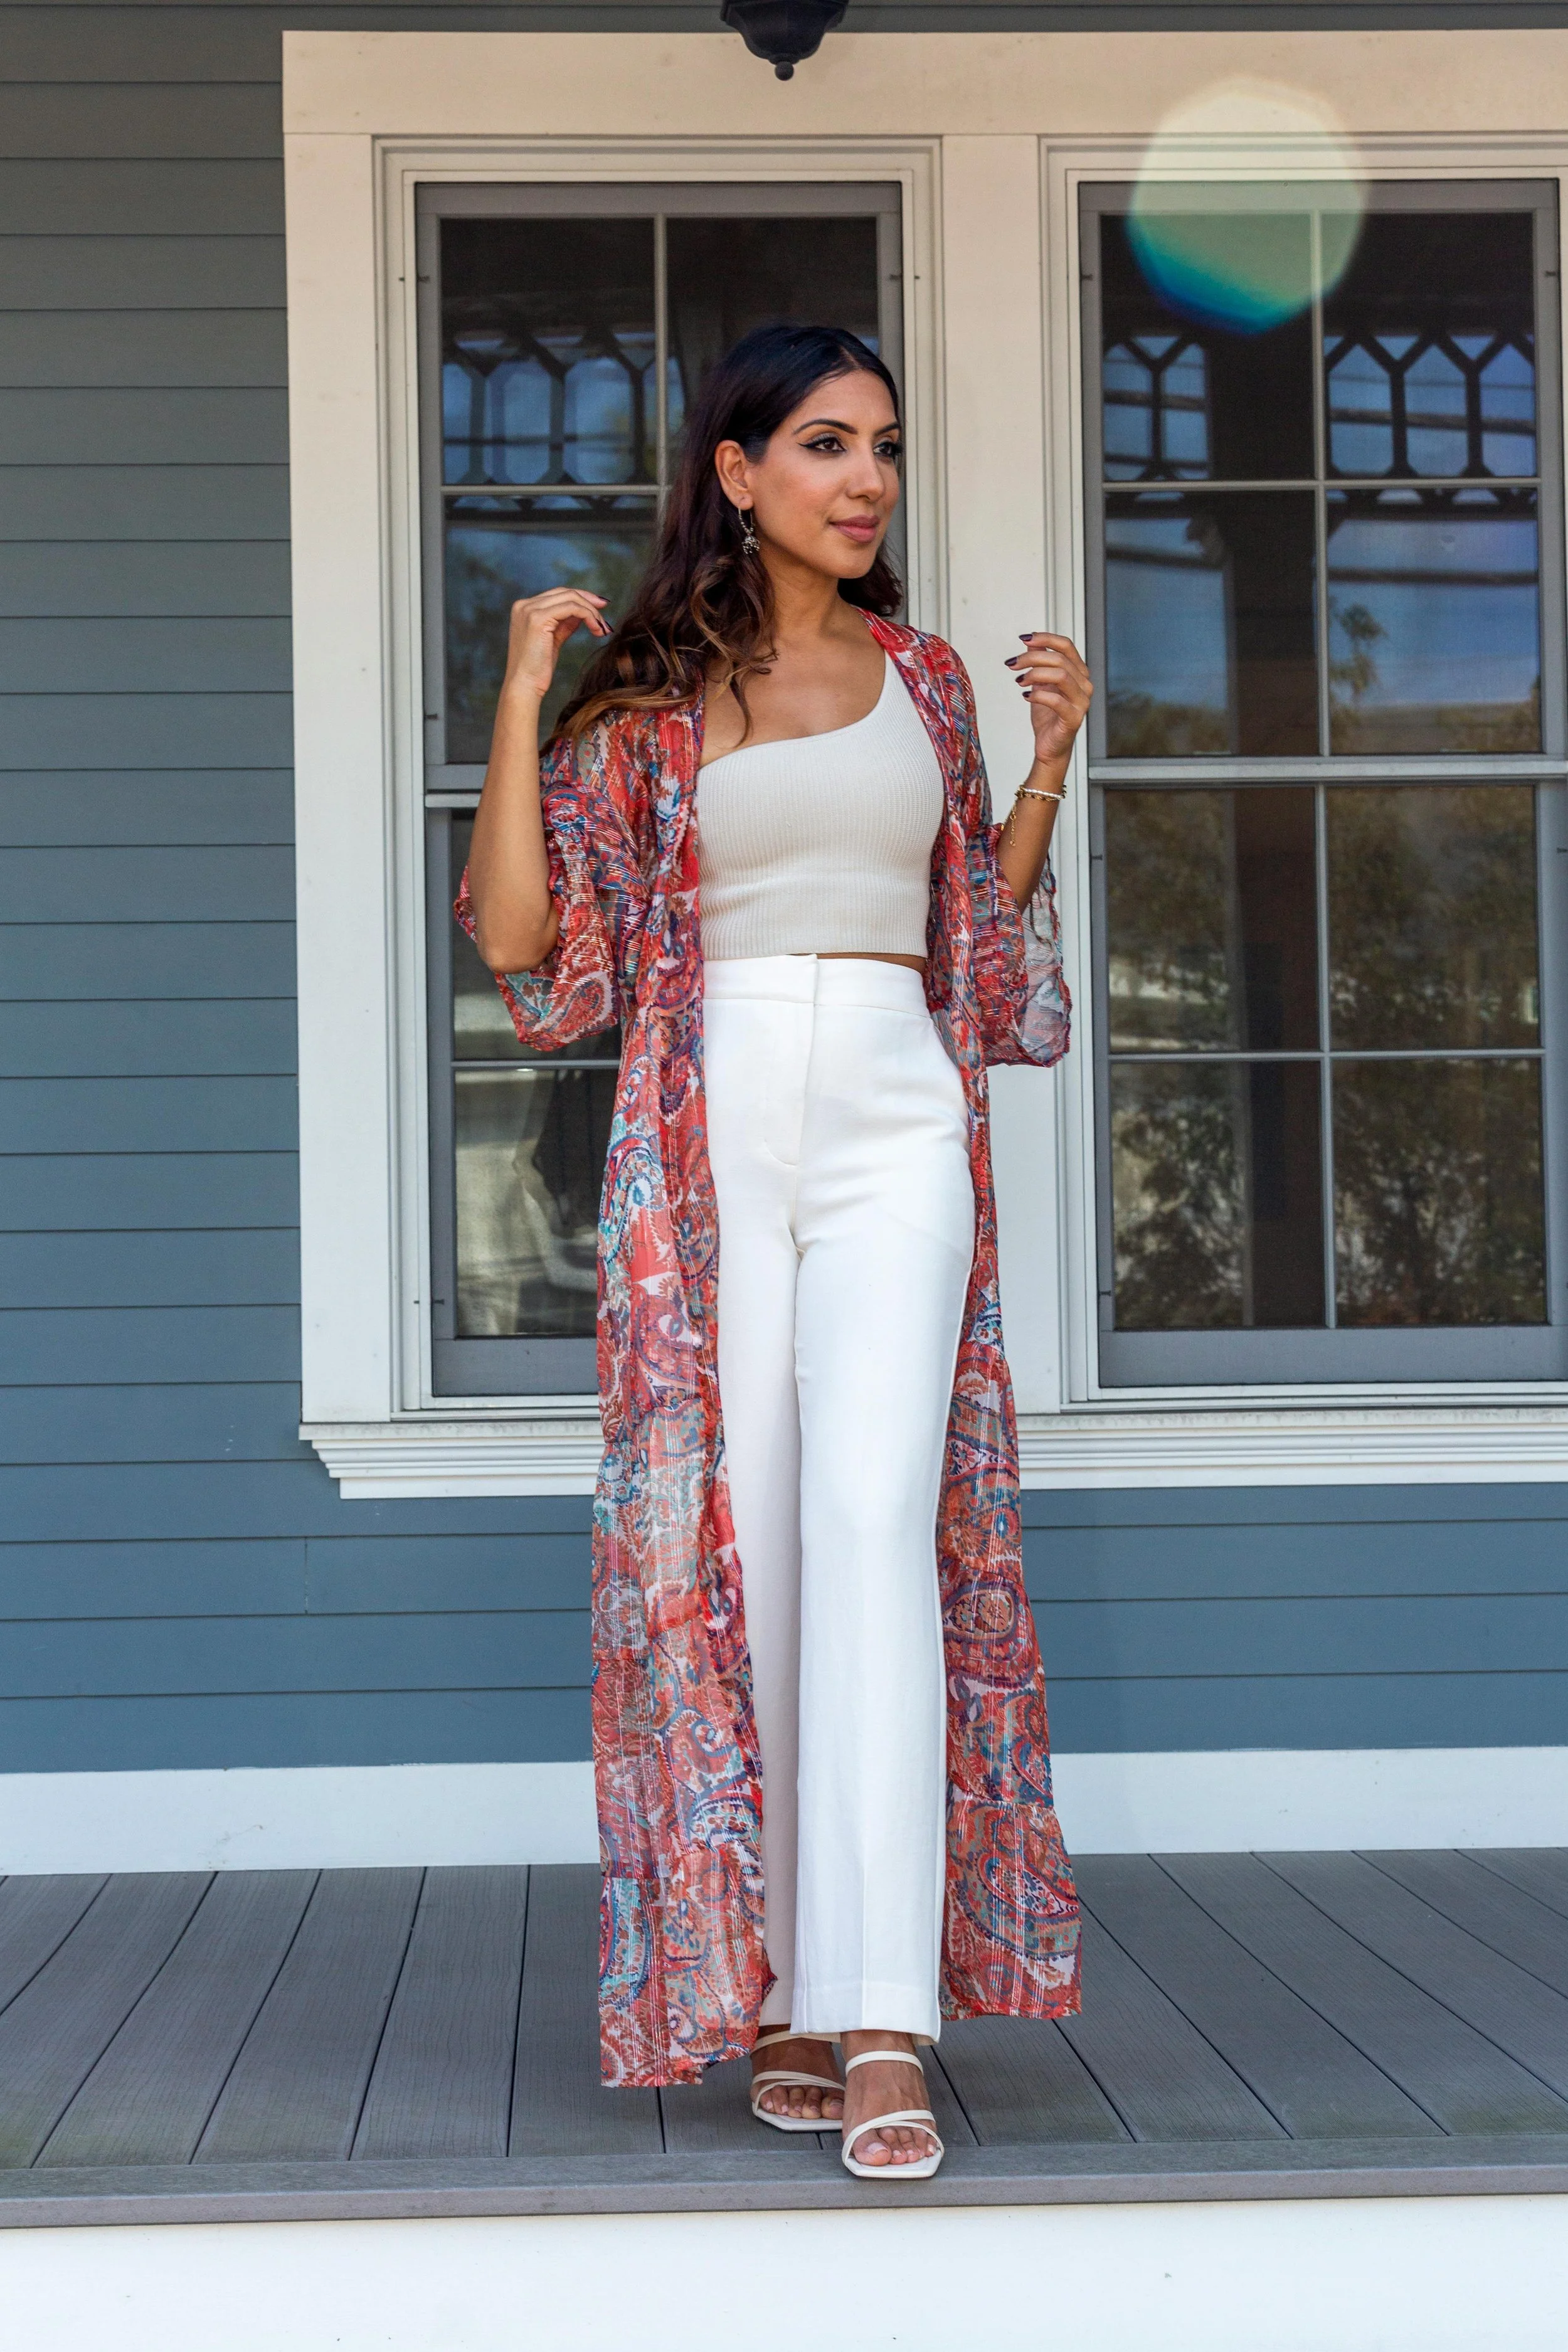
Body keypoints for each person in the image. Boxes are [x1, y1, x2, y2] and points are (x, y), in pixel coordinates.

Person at [460, 321, 1087, 2180]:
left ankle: (883, 2009)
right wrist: (515, 695)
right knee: (745, 1535)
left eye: (882, 447)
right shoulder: (645, 704)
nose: (866, 480)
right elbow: (533, 952)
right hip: (706, 1118)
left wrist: (1046, 757)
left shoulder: (922, 673)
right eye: (825, 445)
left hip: (898, 1110)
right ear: (734, 473)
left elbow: (971, 935)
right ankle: (789, 1995)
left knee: (881, 1518)